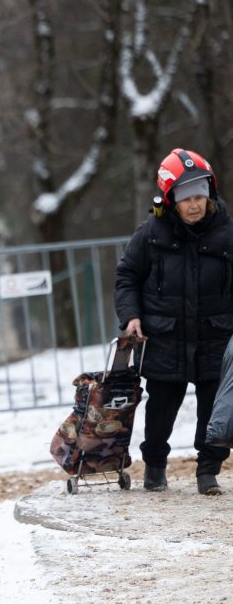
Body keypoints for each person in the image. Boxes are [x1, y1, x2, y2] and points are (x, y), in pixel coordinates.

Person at [115, 148, 233, 495]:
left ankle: (208, 469)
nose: (195, 204)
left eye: (200, 195)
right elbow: (127, 277)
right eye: (186, 198)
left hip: (216, 336)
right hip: (165, 337)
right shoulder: (150, 234)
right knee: (162, 408)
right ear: (169, 199)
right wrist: (131, 315)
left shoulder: (227, 234)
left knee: (215, 410)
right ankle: (155, 467)